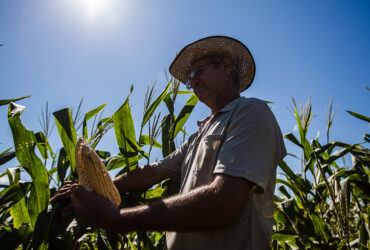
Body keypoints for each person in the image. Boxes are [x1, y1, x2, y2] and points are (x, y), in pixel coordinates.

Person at [51, 36, 287, 250]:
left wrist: (118, 220)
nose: (191, 83)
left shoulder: (250, 113)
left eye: (196, 73)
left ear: (225, 67)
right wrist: (96, 185)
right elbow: (151, 172)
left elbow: (224, 203)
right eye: (188, 80)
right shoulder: (199, 135)